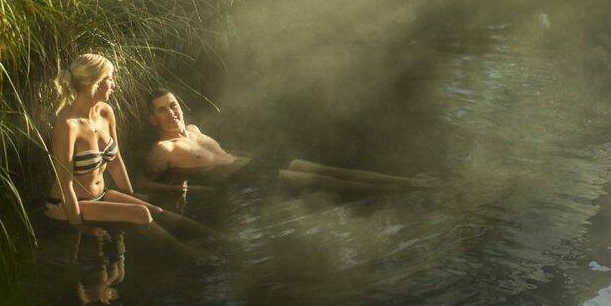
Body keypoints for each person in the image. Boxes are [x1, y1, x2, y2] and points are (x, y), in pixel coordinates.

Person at [44, 54, 219, 255]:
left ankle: (220, 239)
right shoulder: (67, 125)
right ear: (91, 82)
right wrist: (79, 228)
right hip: (65, 206)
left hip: (100, 196)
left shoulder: (106, 112)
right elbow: (65, 185)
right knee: (141, 213)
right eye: (109, 79)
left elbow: (115, 162)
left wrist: (130, 195)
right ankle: (194, 255)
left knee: (157, 211)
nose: (113, 85)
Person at [140, 89, 434, 196]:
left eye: (173, 105)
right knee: (324, 181)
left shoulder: (193, 128)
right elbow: (145, 184)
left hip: (254, 163)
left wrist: (251, 155)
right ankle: (399, 192)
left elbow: (225, 153)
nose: (171, 112)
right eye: (162, 110)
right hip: (245, 178)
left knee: (328, 170)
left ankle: (409, 182)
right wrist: (196, 190)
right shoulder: (163, 150)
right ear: (152, 119)